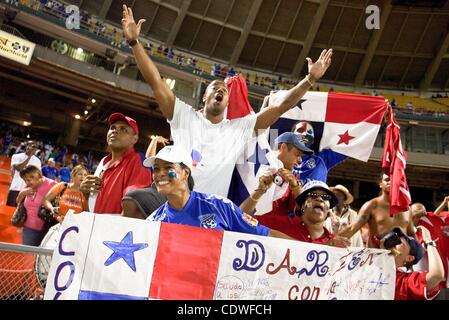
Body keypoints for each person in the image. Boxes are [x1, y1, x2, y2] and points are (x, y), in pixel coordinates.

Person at [121, 4, 333, 197]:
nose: (220, 91)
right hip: (175, 202)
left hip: (211, 213)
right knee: (133, 198)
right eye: (214, 88)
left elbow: (282, 106)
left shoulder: (240, 128)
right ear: (205, 96)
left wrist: (309, 79)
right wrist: (134, 42)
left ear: (228, 102)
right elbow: (156, 82)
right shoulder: (183, 115)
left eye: (224, 89)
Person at [145, 145, 291, 239]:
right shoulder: (152, 223)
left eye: (168, 167)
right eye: (156, 168)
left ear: (185, 173)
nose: (160, 174)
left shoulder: (218, 205)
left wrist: (308, 252)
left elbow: (265, 234)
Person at [80, 113, 152, 214]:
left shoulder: (137, 161)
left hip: (112, 228)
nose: (115, 131)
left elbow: (134, 210)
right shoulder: (104, 162)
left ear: (134, 139)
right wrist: (85, 194)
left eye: (123, 129)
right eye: (112, 128)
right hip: (93, 226)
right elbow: (90, 210)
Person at [250, 179, 350, 246]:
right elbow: (241, 218)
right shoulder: (278, 223)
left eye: (325, 197)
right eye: (313, 195)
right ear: (301, 206)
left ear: (328, 212)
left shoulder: (335, 244)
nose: (320, 199)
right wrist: (258, 192)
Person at [239, 132, 313, 218]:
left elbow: (303, 211)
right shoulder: (257, 161)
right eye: (297, 154)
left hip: (262, 224)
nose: (300, 160)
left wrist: (295, 187)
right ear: (283, 147)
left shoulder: (289, 178)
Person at [339, 174, 415, 248]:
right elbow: (352, 228)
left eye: (394, 180)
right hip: (376, 256)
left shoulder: (407, 209)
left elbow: (411, 234)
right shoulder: (371, 205)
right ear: (381, 184)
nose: (391, 182)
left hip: (399, 258)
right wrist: (331, 241)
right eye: (387, 180)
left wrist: (418, 254)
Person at [381, 226, 444, 300]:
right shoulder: (377, 264)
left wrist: (429, 242)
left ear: (409, 258)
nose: (392, 243)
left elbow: (436, 275)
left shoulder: (405, 281)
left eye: (398, 243)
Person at [292, 121, 347, 186]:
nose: (304, 134)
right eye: (300, 131)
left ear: (312, 140)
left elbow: (347, 148)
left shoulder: (322, 158)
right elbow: (276, 128)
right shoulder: (281, 156)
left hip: (314, 195)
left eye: (309, 132)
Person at [15, 165, 57, 246]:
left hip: (47, 229)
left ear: (38, 174)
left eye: (31, 177)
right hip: (29, 228)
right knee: (27, 255)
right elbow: (18, 202)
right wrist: (21, 194)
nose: (28, 182)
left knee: (43, 256)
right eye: (26, 180)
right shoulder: (28, 187)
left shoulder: (52, 184)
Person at [7, 141, 41, 207]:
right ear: (26, 146)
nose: (30, 147)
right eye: (29, 145)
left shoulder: (37, 161)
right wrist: (29, 157)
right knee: (9, 209)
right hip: (15, 188)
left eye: (33, 146)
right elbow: (19, 168)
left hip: (28, 191)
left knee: (21, 214)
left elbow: (38, 176)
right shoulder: (16, 156)